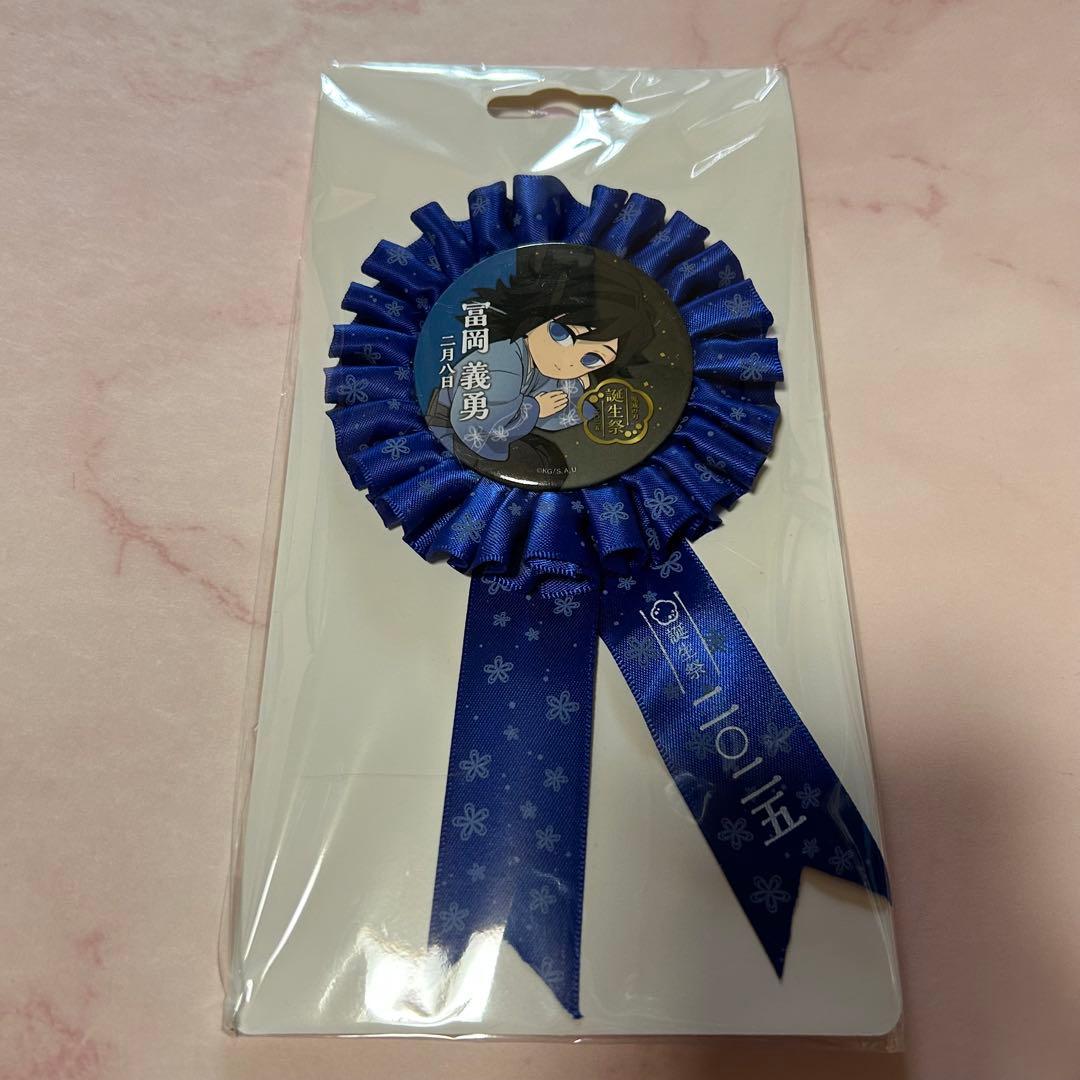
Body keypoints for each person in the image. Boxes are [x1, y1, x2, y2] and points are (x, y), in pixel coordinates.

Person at [426, 246, 655, 481]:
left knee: (550, 461)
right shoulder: (500, 362)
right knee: (541, 467)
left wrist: (581, 394)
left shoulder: (540, 361)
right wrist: (534, 408)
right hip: (451, 428)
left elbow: (554, 415)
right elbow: (474, 429)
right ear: (536, 315)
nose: (567, 361)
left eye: (592, 358)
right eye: (562, 334)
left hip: (496, 426)